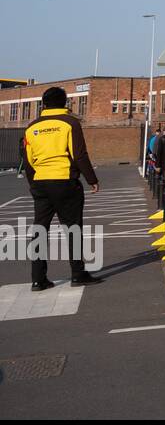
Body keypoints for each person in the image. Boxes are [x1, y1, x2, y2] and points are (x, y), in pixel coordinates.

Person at [20, 87, 103, 290]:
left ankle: (38, 279)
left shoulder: (31, 127)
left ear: (44, 104)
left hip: (41, 183)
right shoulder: (70, 123)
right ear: (65, 103)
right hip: (65, 181)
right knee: (73, 228)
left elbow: (28, 160)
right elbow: (79, 154)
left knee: (40, 229)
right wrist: (91, 179)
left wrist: (34, 184)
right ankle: (77, 273)